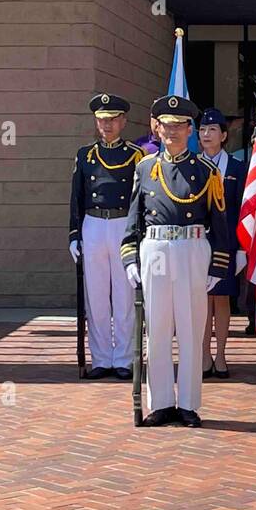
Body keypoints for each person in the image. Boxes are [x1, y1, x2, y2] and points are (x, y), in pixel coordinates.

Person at [121, 95, 232, 428]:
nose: (172, 133)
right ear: (158, 129)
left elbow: (219, 221)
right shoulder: (144, 167)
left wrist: (218, 265)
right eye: (166, 126)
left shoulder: (206, 171)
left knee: (190, 328)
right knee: (156, 330)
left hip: (191, 249)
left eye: (179, 127)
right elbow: (134, 219)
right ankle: (161, 403)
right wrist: (130, 256)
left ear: (189, 130)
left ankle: (188, 403)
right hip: (155, 249)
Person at [69, 92, 144, 380]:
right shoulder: (85, 154)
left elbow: (140, 198)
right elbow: (76, 197)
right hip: (94, 223)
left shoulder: (137, 155)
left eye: (112, 119)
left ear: (123, 121)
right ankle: (101, 358)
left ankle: (124, 359)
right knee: (97, 296)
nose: (107, 124)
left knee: (125, 295)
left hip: (123, 223)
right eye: (102, 119)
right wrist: (74, 234)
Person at [197, 108, 248, 379]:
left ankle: (221, 355)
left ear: (224, 135)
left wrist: (242, 248)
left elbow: (243, 208)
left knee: (223, 299)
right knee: (204, 299)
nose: (206, 134)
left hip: (228, 244)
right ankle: (204, 355)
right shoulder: (193, 165)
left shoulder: (238, 168)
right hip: (200, 243)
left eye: (212, 130)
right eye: (203, 130)